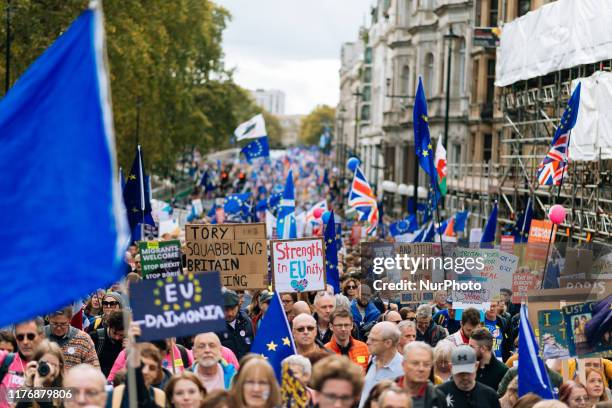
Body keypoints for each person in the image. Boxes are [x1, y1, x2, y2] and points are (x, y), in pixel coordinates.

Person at [112, 324, 166, 408]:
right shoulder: (116, 394)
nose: (145, 371)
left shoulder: (159, 396)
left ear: (157, 373)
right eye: (141, 365)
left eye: (152, 368)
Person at [436, 345, 500, 408]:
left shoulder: (490, 396)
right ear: (451, 368)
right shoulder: (439, 394)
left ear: (476, 366)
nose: (465, 377)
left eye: (468, 372)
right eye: (460, 373)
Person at [360, 322, 404, 407]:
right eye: (368, 338)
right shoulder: (371, 360)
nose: (367, 342)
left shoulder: (404, 369)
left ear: (388, 343)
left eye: (373, 340)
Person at [0, 318, 45, 396]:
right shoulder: (5, 358)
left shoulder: (51, 365)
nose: (25, 342)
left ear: (41, 337)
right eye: (20, 337)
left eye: (30, 336)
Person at [395, 342, 448, 408]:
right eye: (415, 363)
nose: (421, 369)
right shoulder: (385, 391)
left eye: (426, 364)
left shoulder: (438, 398)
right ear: (403, 365)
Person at [218, 290, 254, 360]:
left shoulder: (246, 321)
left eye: (233, 309)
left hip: (245, 366)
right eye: (226, 310)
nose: (230, 313)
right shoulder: (215, 327)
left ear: (238, 306)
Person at [89, 310, 125, 377]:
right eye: (114, 333)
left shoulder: (129, 341)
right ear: (109, 326)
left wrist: (126, 350)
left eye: (121, 335)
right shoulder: (94, 337)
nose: (117, 338)